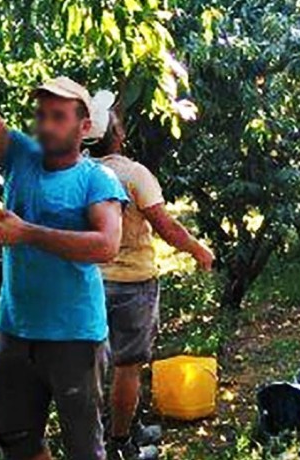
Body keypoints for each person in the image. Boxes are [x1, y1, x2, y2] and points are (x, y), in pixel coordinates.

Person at [0, 51, 128, 460]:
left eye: (58, 116)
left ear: (84, 127)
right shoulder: (21, 157)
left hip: (74, 335)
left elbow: (106, 245)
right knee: (16, 439)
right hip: (16, 331)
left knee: (83, 447)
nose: (45, 124)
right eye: (41, 114)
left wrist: (24, 232)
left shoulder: (96, 178)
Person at [84, 93, 214, 460]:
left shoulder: (78, 173)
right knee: (128, 367)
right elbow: (167, 227)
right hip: (132, 283)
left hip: (89, 282)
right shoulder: (133, 173)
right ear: (118, 135)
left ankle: (128, 427)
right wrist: (199, 251)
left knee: (95, 367)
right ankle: (121, 444)